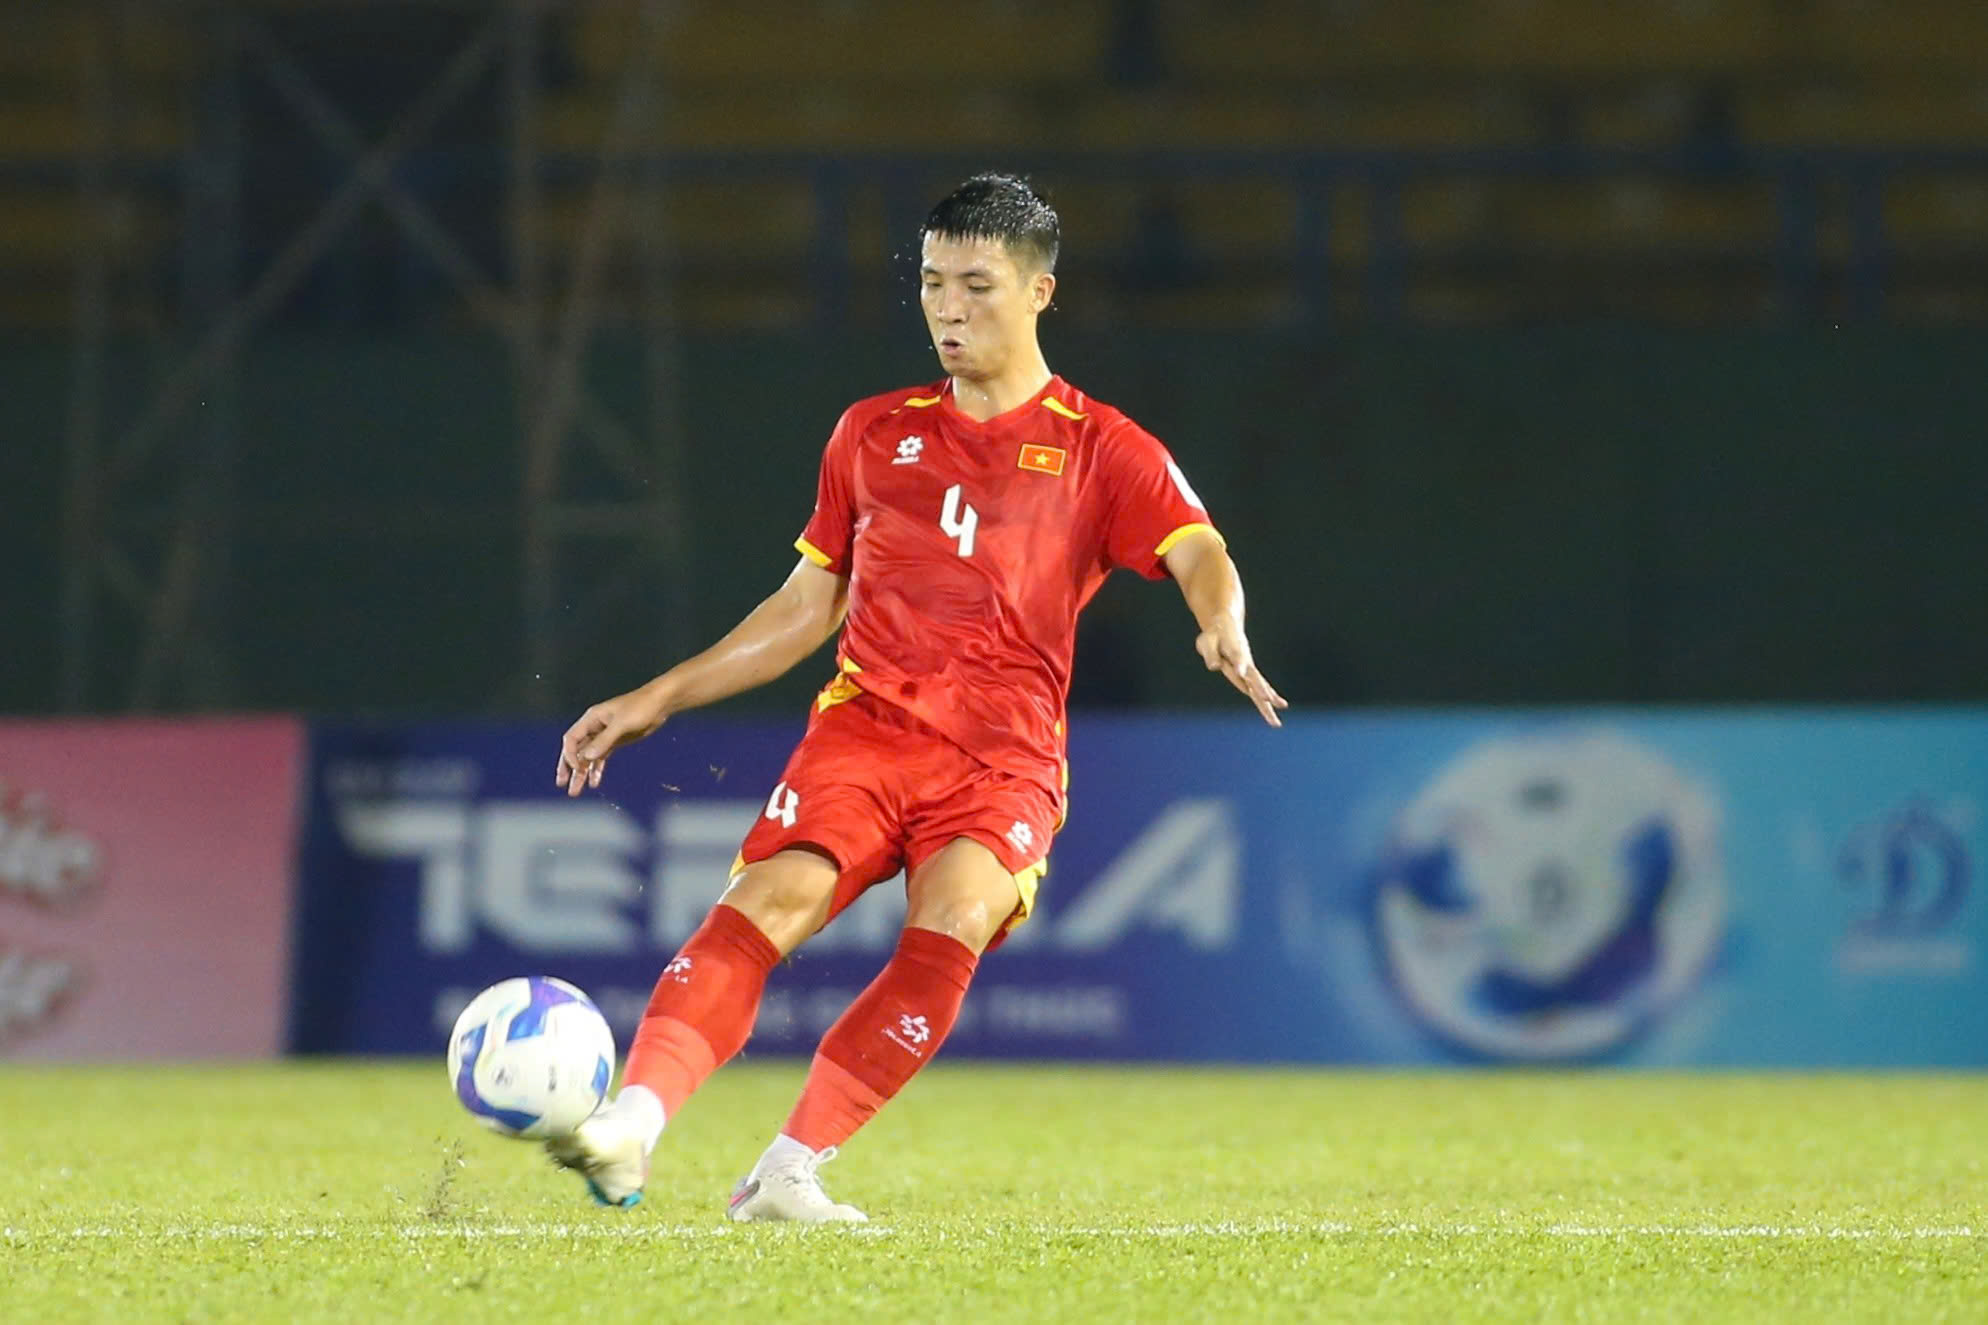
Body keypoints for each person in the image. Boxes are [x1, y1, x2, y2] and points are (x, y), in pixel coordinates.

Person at [548, 173, 1286, 1222]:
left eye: (976, 285)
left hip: (1003, 756)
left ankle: (787, 1169)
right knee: (771, 900)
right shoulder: (870, 432)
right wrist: (660, 695)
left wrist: (1220, 619)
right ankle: (631, 1124)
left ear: (1039, 291)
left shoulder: (1101, 444)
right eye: (933, 282)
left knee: (958, 916)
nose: (948, 307)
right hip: (867, 731)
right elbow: (806, 606)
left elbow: (1198, 545)